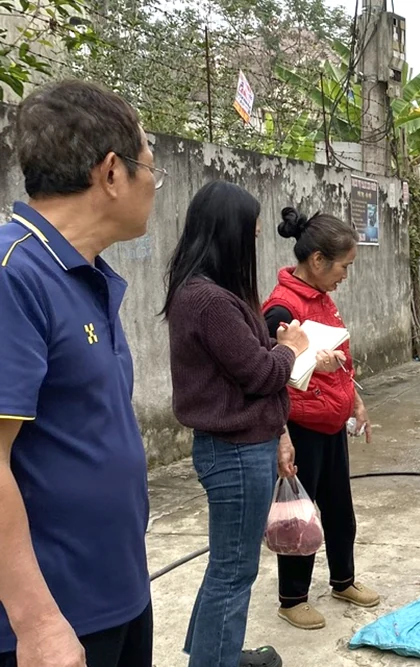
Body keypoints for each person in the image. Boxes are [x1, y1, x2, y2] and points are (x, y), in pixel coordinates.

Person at [0, 79, 158, 667]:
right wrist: (37, 621)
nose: (154, 186)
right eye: (150, 167)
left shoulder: (82, 275)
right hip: (55, 618)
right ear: (112, 173)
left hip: (116, 591)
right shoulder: (15, 275)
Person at [164, 181, 306, 667]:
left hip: (241, 445)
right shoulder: (210, 301)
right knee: (234, 571)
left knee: (227, 564)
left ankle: (212, 651)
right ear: (229, 236)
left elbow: (252, 359)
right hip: (236, 452)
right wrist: (294, 350)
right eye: (252, 235)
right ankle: (215, 659)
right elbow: (260, 373)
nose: (255, 244)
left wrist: (278, 349)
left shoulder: (209, 293)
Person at [262, 207, 380, 631]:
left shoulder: (323, 301)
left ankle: (343, 579)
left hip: (331, 421)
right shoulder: (281, 308)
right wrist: (314, 365)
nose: (345, 275)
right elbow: (272, 372)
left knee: (339, 509)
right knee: (300, 514)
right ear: (317, 261)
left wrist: (355, 402)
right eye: (343, 266)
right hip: (302, 426)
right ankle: (292, 598)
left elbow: (341, 359)